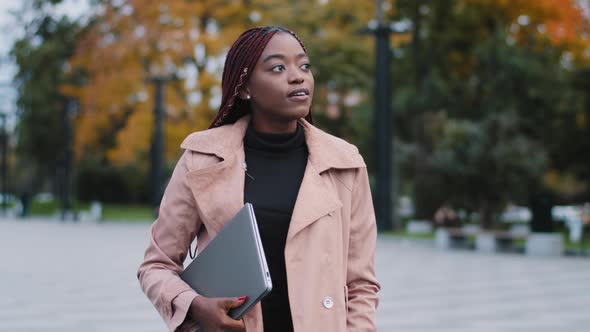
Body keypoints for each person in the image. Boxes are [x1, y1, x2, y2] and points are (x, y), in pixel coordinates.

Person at [137, 26, 380, 332]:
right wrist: (196, 306)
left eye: (304, 66)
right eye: (278, 68)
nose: (297, 76)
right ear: (244, 87)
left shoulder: (344, 164)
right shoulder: (202, 159)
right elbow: (156, 266)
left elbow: (361, 285)